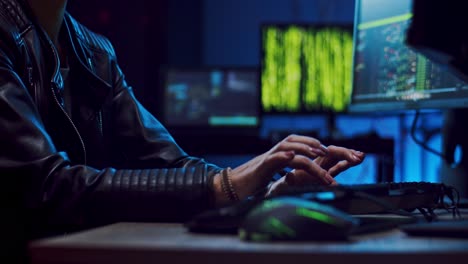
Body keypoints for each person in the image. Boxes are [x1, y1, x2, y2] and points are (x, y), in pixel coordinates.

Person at [0, 0, 365, 262]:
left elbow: (175, 166)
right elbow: (46, 186)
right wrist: (227, 184)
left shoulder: (94, 50)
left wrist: (268, 191)